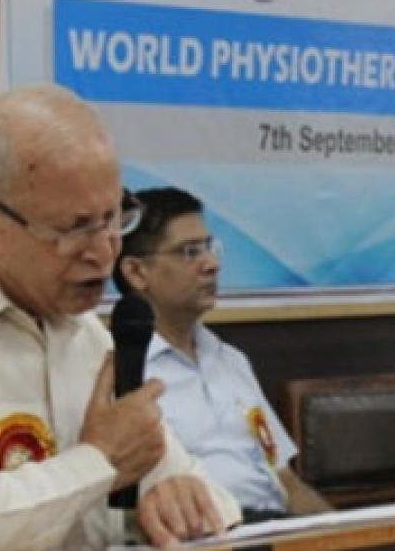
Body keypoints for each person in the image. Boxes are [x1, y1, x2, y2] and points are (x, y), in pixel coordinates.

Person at [0, 85, 240, 551]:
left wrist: (179, 505)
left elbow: (214, 503)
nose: (105, 252)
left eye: (113, 218)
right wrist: (97, 463)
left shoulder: (89, 336)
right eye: (75, 228)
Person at [114, 187, 331, 518]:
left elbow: (286, 481)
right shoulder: (121, 373)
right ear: (136, 272)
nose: (212, 264)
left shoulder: (230, 360)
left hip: (277, 534)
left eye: (209, 248)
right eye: (189, 252)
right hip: (206, 545)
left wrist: (339, 537)